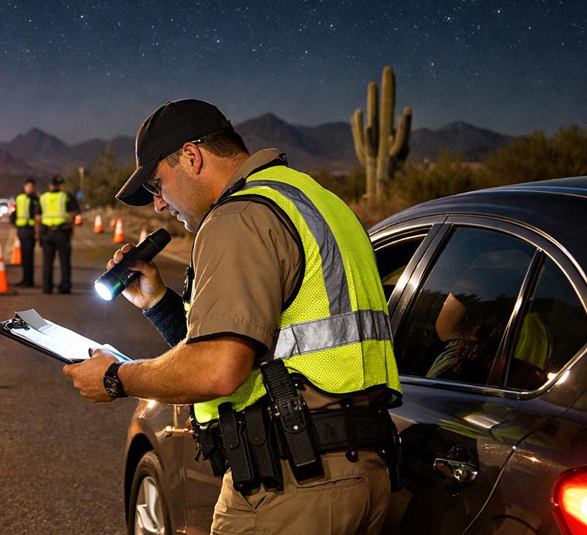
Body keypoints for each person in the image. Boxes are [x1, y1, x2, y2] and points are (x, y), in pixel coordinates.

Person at [62, 99, 402, 534]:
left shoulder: (238, 217)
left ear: (191, 156)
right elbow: (260, 342)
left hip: (292, 485)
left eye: (157, 185)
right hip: (356, 476)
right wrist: (158, 302)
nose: (160, 206)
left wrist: (116, 378)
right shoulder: (312, 198)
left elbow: (219, 370)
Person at [39, 175, 80, 294]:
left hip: (47, 233)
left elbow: (37, 217)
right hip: (62, 232)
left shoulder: (43, 197)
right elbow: (74, 212)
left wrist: (38, 233)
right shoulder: (66, 196)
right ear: (61, 185)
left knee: (47, 261)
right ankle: (65, 286)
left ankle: (47, 287)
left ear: (50, 185)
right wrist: (70, 225)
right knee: (64, 261)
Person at [10, 178, 41, 288]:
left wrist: (37, 231)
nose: (29, 188)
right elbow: (15, 213)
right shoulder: (20, 198)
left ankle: (29, 280)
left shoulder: (35, 199)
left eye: (31, 187)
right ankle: (25, 279)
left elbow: (38, 216)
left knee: (28, 256)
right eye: (28, 186)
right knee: (24, 257)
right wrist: (15, 223)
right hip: (21, 230)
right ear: (24, 187)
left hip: (30, 230)